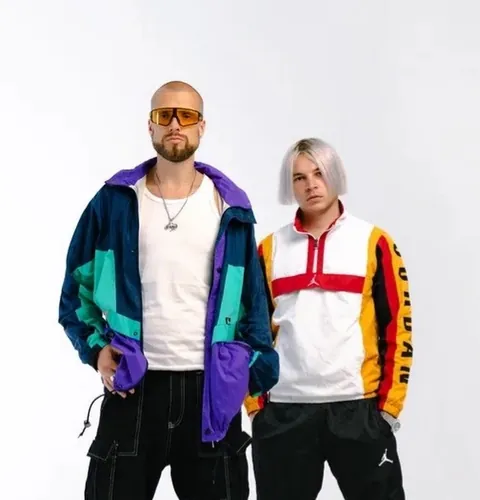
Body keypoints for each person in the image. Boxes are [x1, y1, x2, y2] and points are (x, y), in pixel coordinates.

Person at [58, 80, 279, 500]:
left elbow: (253, 304)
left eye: (187, 116)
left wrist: (246, 371)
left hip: (210, 390)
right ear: (151, 126)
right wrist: (96, 348)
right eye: (165, 115)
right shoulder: (114, 203)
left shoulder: (230, 208)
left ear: (201, 127)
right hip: (134, 387)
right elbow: (75, 292)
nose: (176, 124)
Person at [244, 138, 413, 500]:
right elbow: (248, 332)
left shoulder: (374, 242)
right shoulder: (269, 249)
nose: (311, 185)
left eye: (319, 173)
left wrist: (388, 408)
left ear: (335, 174)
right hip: (284, 412)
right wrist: (255, 406)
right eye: (299, 177)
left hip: (358, 409)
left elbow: (398, 326)